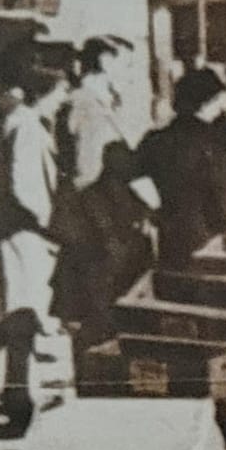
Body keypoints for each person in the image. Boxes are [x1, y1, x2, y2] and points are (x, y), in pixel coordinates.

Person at [0, 66, 69, 422]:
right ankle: (21, 400)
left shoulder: (20, 122)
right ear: (44, 93)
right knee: (24, 315)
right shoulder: (28, 128)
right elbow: (22, 184)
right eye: (60, 92)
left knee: (17, 315)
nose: (63, 100)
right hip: (24, 233)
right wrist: (49, 223)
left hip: (16, 231)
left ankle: (12, 392)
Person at [137, 67, 226, 268]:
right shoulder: (214, 142)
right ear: (208, 102)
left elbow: (133, 180)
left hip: (171, 243)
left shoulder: (155, 140)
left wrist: (154, 214)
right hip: (212, 246)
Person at [48, 140, 154, 351]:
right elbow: (108, 239)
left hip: (102, 280)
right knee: (96, 337)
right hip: (98, 279)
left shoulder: (116, 193)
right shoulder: (98, 196)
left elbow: (143, 214)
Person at [59, 46, 131, 192]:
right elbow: (85, 167)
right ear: (106, 65)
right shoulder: (84, 105)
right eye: (128, 66)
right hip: (91, 195)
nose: (131, 77)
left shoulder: (101, 105)